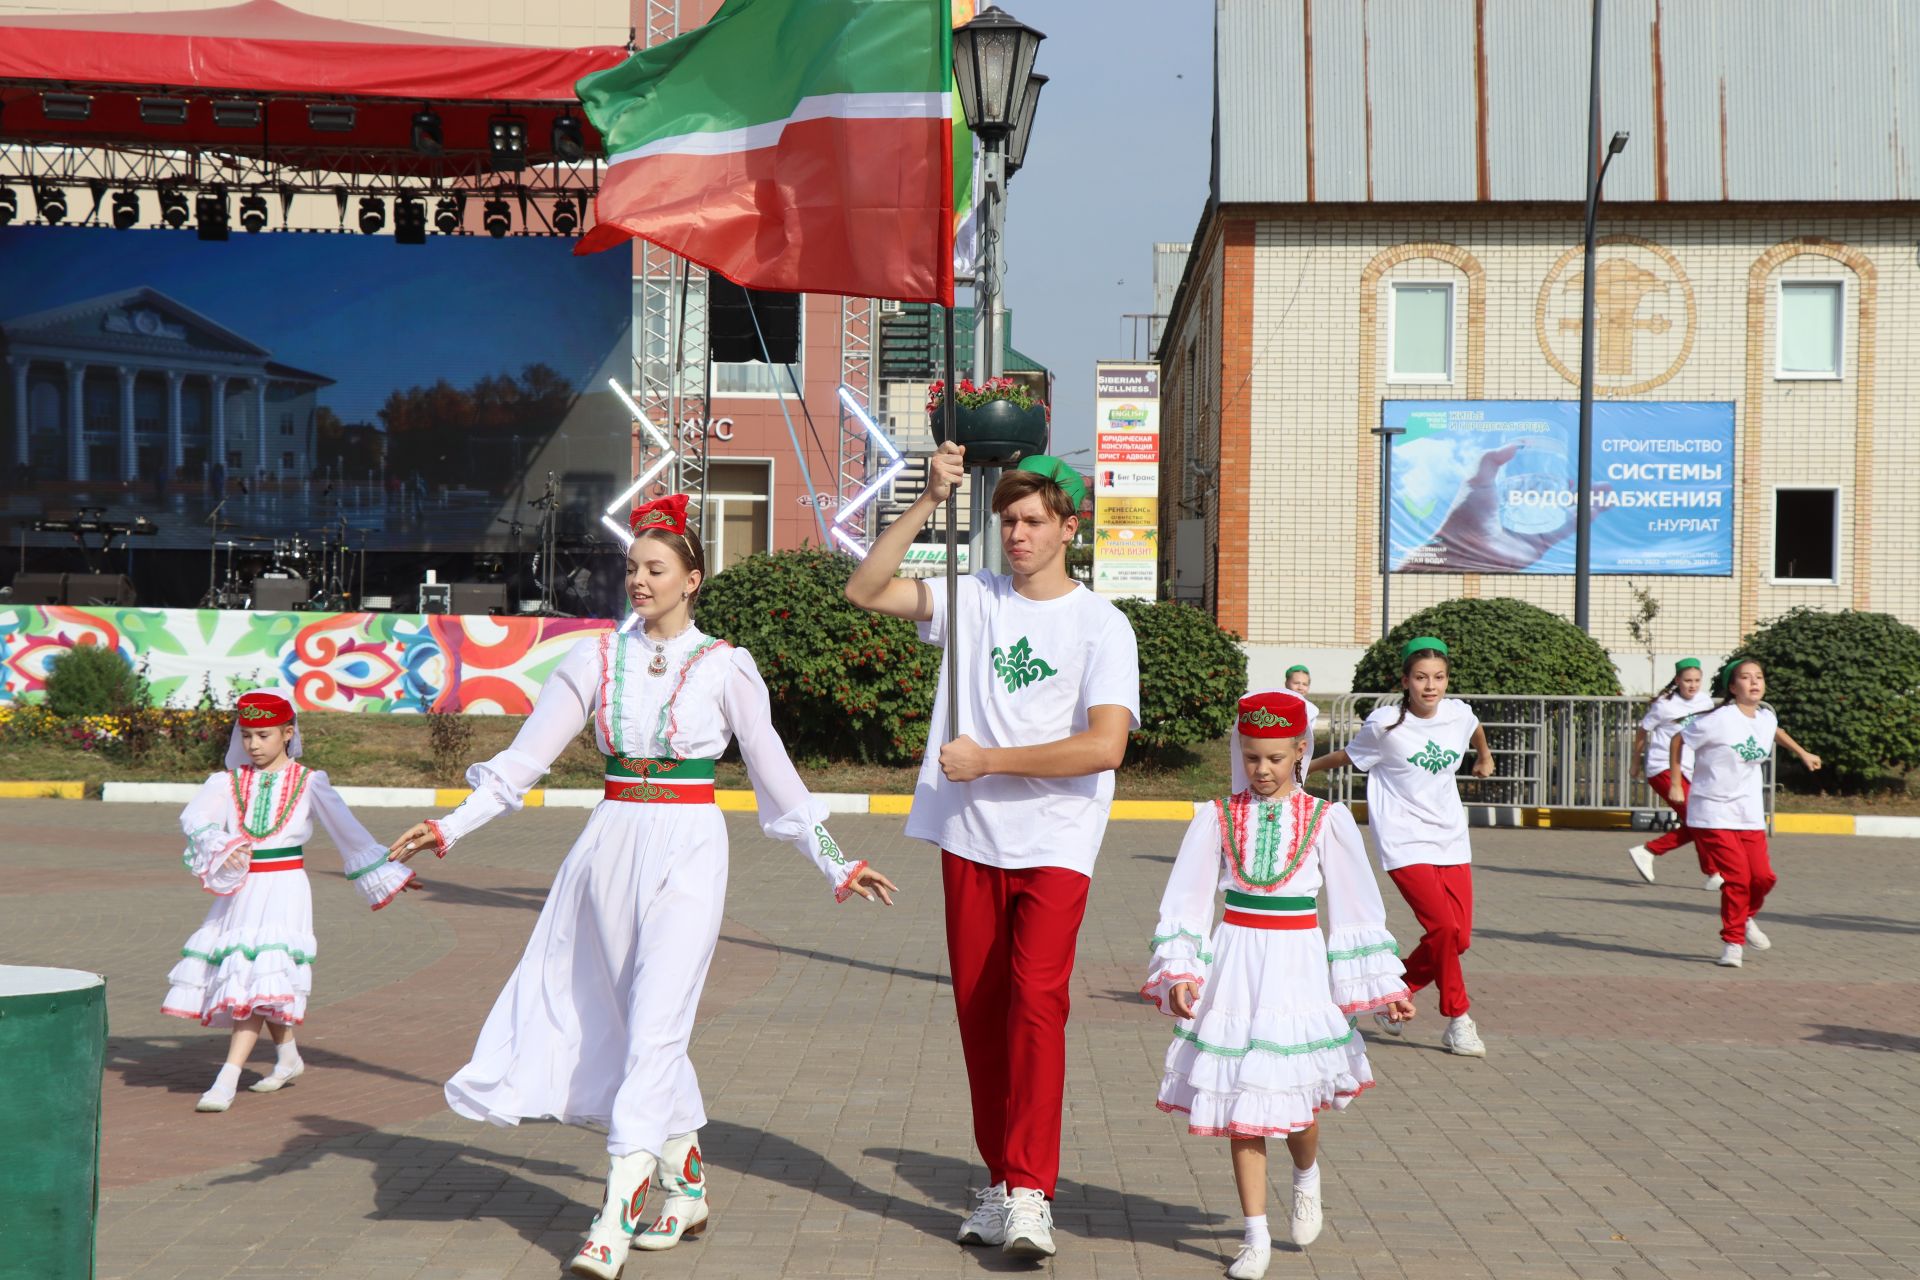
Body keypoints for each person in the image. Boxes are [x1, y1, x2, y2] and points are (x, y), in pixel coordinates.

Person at [386, 493, 896, 1280]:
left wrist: (837, 859)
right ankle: (685, 1182)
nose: (640, 582)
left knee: (657, 1025)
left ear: (694, 578)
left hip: (689, 847)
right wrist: (453, 825)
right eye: (632, 569)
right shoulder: (591, 659)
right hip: (608, 847)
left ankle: (613, 1216)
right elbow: (524, 762)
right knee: (632, 1021)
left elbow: (779, 782)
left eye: (656, 569)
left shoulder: (726, 666)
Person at [843, 442, 1140, 1261]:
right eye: (1007, 519)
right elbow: (863, 590)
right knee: (981, 1012)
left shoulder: (1102, 626)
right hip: (971, 837)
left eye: (1033, 521)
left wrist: (990, 761)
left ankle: (1033, 1190)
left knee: (1037, 1002)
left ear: (1068, 529)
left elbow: (1106, 746)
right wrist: (925, 503)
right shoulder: (970, 599)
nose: (1016, 533)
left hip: (1054, 840)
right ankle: (1002, 1180)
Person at [1144, 691, 1413, 1279]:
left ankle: (1307, 1174)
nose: (1261, 770)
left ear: (1299, 751)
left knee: (1295, 1099)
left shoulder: (1326, 821)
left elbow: (1355, 910)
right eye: (1250, 757)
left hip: (1297, 965)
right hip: (1236, 962)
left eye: (1273, 758)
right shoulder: (1216, 817)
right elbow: (1187, 902)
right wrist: (1183, 969)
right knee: (1244, 1097)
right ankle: (1255, 1235)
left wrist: (1385, 988)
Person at [163, 690, 419, 1113]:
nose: (253, 745)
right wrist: (219, 840)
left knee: (258, 972)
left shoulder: (309, 782)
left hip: (284, 887)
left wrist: (388, 870)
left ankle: (226, 1077)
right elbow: (195, 818)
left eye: (263, 735)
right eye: (246, 736)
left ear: (287, 734)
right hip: (242, 891)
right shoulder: (226, 782)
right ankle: (287, 1057)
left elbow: (348, 831)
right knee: (258, 976)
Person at [1309, 637, 1493, 1056]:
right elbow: (1348, 756)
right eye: (1422, 678)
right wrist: (1302, 766)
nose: (1431, 686)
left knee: (1458, 937)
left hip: (1450, 837)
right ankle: (1458, 1019)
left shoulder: (1458, 713)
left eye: (1439, 678)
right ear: (1406, 681)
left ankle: (1391, 994)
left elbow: (1475, 728)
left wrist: (1484, 756)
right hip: (1403, 838)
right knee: (1443, 929)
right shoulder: (1385, 724)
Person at [1672, 656, 1821, 968]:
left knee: (1763, 878)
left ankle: (1745, 917)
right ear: (1732, 686)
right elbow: (1679, 738)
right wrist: (1675, 782)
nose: (1754, 682)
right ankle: (1732, 943)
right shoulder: (1718, 719)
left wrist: (1803, 752)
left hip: (1748, 811)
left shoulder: (1764, 718)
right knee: (1738, 878)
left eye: (1759, 677)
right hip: (1712, 811)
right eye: (1745, 677)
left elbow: (1774, 731)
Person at [1626, 658, 1720, 888]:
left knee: (1698, 819)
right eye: (1687, 680)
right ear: (1678, 681)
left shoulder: (1705, 701)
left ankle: (1649, 852)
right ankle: (1713, 873)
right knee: (1697, 818)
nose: (1692, 685)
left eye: (1697, 680)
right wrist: (1635, 762)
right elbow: (1642, 732)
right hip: (1662, 767)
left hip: (1686, 769)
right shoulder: (1665, 705)